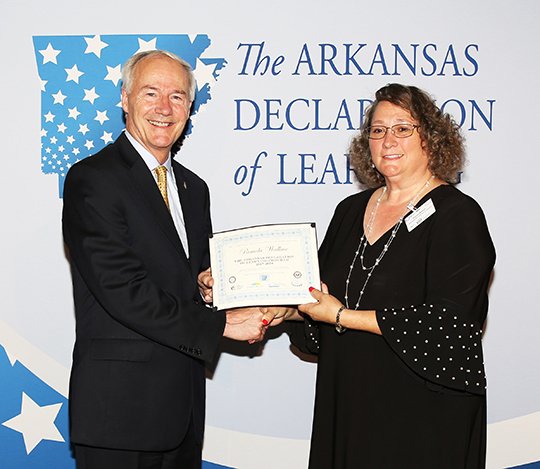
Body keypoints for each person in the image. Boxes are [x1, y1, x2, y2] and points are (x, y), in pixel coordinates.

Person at [201, 83, 496, 468]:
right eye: (377, 130)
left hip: (424, 414)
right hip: (350, 401)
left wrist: (340, 317)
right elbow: (316, 300)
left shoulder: (458, 215)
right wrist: (276, 308)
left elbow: (450, 323)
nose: (388, 139)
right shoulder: (350, 210)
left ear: (431, 138)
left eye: (403, 128)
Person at [62, 50, 265, 469]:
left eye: (177, 96)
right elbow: (122, 289)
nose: (163, 108)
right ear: (125, 98)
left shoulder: (194, 188)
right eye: (151, 92)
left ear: (189, 108)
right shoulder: (92, 179)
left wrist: (213, 289)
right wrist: (222, 323)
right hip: (119, 415)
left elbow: (187, 280)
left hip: (183, 411)